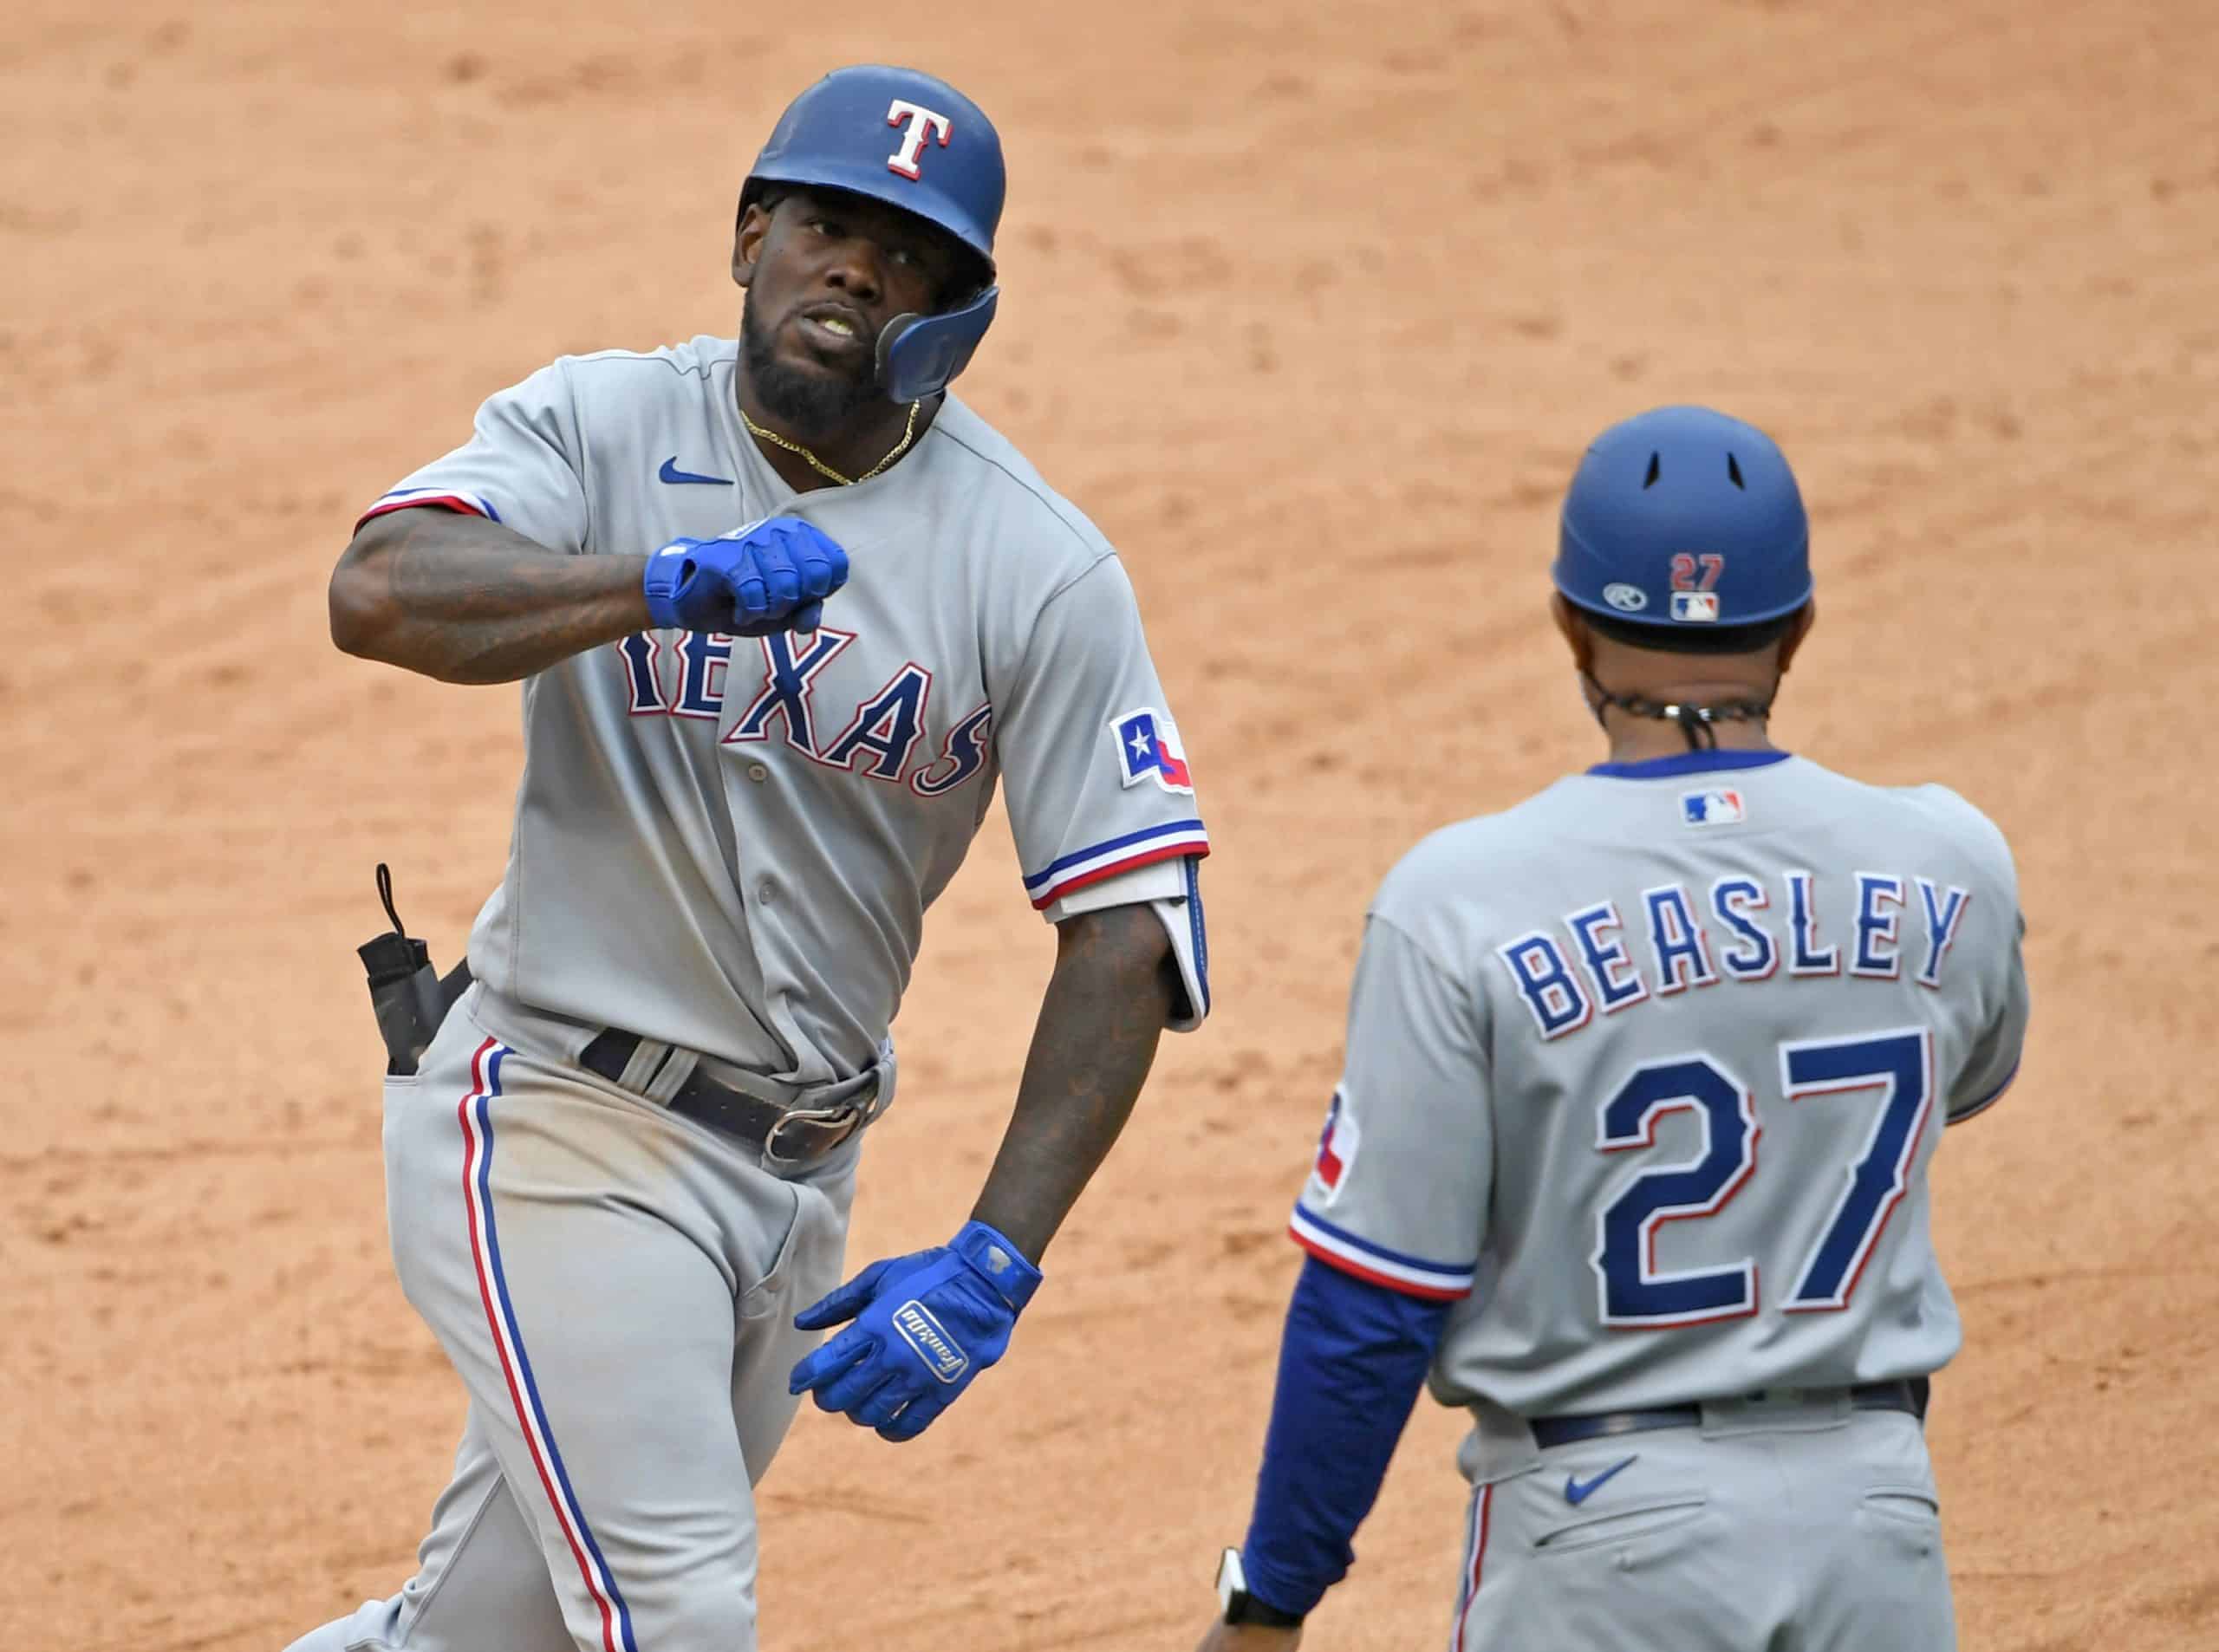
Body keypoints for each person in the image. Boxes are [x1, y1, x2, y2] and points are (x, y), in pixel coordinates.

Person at [284, 62, 1212, 1652]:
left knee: (482, 1635)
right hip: (558, 1122)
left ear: (960, 313)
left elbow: (1127, 923)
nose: (856, 266)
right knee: (678, 1610)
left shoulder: (1035, 567)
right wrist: (648, 583)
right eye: (826, 224)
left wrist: (996, 1255)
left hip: (799, 1186)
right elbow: (381, 591)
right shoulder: (601, 421)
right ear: (747, 238)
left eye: (910, 252)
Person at [1194, 405, 2027, 1652]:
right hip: (1877, 1521)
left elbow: (1374, 1297)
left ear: (1568, 625)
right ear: (1797, 630)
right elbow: (1963, 1074)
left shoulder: (1460, 899)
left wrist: (1274, 1598)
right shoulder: (1952, 861)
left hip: (1601, 1540)